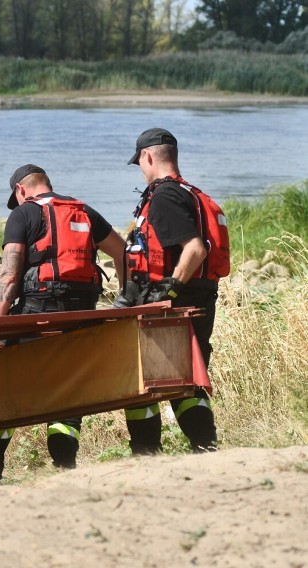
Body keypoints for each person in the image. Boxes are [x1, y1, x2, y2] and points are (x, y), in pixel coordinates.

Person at [0, 164, 126, 484]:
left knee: (7, 391)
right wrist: (122, 301)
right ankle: (64, 466)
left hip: (35, 313)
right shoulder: (83, 211)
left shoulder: (23, 214)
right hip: (81, 315)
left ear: (20, 190)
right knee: (67, 393)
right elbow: (122, 253)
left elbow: (10, 274)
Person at [118, 128, 229, 455]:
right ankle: (205, 447)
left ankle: (146, 451)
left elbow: (195, 249)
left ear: (147, 156)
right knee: (187, 381)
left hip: (172, 303)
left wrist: (169, 289)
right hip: (200, 298)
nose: (141, 168)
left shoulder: (164, 196)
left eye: (139, 162)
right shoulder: (189, 192)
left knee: (140, 381)